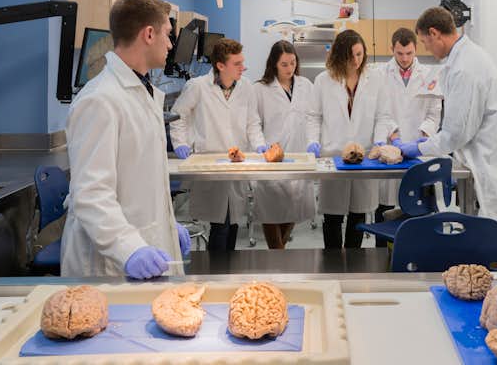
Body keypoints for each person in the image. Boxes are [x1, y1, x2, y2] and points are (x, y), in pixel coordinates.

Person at [61, 0, 191, 279]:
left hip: (146, 245)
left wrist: (168, 223)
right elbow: (91, 195)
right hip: (109, 263)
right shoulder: (100, 100)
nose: (170, 44)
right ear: (148, 34)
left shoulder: (141, 91)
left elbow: (142, 181)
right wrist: (129, 248)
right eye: (167, 34)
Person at [399, 7, 497, 236]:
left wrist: (418, 147)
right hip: (483, 154)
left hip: (487, 160)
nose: (427, 48)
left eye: (425, 42)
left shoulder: (465, 68)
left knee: (494, 236)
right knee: (489, 232)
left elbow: (456, 134)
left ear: (435, 33)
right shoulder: (463, 59)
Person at [170, 38, 266, 251]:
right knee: (219, 224)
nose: (244, 67)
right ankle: (215, 272)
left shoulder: (246, 87)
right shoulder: (197, 87)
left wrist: (260, 145)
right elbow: (179, 116)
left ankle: (227, 271)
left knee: (233, 224)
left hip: (237, 162)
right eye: (237, 64)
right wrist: (180, 143)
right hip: (210, 162)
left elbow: (253, 122)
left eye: (243, 62)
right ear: (220, 66)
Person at [307, 29, 397, 249]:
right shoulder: (323, 80)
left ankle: (353, 263)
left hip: (364, 155)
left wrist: (378, 141)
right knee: (333, 217)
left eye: (359, 54)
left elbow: (383, 116)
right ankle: (333, 265)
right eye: (350, 56)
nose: (356, 60)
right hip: (333, 154)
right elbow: (314, 117)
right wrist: (312, 141)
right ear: (339, 56)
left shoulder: (376, 79)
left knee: (358, 214)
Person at [375, 28, 442, 246]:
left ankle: (413, 254)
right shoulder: (380, 74)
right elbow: (380, 110)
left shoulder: (430, 74)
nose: (405, 59)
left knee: (416, 205)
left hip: (417, 149)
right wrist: (393, 138)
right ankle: (380, 256)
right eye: (399, 53)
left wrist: (422, 136)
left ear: (416, 50)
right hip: (389, 148)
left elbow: (434, 112)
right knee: (384, 206)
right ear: (391, 50)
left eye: (409, 53)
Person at [253, 41, 316, 249]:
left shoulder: (306, 85)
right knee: (271, 211)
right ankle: (277, 255)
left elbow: (312, 118)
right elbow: (254, 123)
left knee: (294, 208)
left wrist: (313, 143)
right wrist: (261, 146)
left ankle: (279, 254)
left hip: (298, 156)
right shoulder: (260, 89)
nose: (289, 69)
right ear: (274, 64)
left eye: (292, 63)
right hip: (271, 159)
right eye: (284, 65)